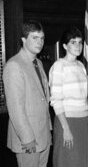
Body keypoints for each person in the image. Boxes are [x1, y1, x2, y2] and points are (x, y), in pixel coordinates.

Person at [3, 20, 52, 167]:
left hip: (43, 135)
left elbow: (43, 100)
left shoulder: (39, 63)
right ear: (23, 39)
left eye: (42, 38)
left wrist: (48, 130)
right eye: (34, 38)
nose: (40, 42)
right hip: (28, 139)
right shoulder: (14, 65)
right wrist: (27, 138)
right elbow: (16, 109)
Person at [49, 27, 88, 167]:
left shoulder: (81, 65)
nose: (78, 46)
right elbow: (56, 101)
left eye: (80, 42)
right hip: (67, 121)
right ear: (64, 46)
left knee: (84, 161)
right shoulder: (58, 66)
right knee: (69, 161)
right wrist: (66, 129)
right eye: (73, 42)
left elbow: (85, 97)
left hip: (84, 120)